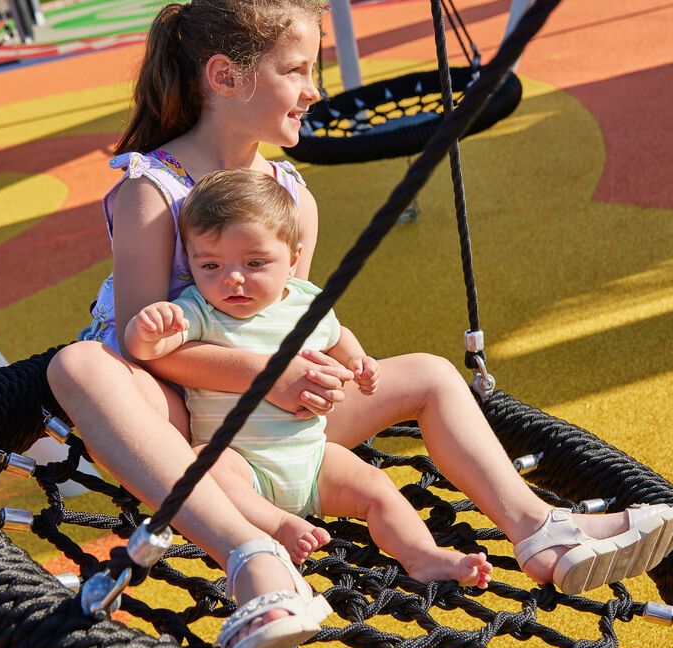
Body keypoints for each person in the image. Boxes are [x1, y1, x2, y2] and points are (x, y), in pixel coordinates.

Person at [47, 0, 673, 648]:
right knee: (80, 366)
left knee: (430, 374)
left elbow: (294, 314)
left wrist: (336, 367)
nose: (313, 88)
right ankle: (250, 559)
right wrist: (272, 377)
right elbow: (144, 347)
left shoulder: (290, 193)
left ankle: (537, 529)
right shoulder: (155, 187)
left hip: (281, 426)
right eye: (295, 70)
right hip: (187, 430)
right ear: (225, 76)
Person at [126, 169, 494, 593]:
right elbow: (147, 350)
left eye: (255, 263)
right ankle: (277, 524)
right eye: (210, 264)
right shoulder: (199, 309)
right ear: (190, 262)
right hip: (244, 466)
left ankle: (422, 555)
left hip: (314, 461)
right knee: (205, 463)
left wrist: (359, 361)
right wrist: (150, 326)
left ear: (293, 257)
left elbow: (337, 336)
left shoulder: (305, 300)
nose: (232, 279)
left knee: (376, 487)